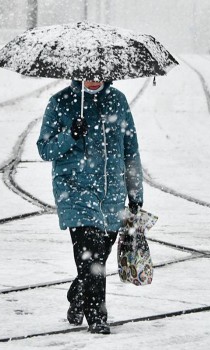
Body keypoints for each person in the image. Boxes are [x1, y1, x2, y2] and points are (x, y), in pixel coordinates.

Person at [36, 80, 143, 334]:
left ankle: (78, 292)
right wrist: (70, 135)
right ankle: (97, 315)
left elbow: (131, 150)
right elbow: (45, 148)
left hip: (112, 194)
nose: (94, 75)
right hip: (75, 192)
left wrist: (135, 192)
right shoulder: (60, 102)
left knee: (98, 257)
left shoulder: (117, 100)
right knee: (92, 255)